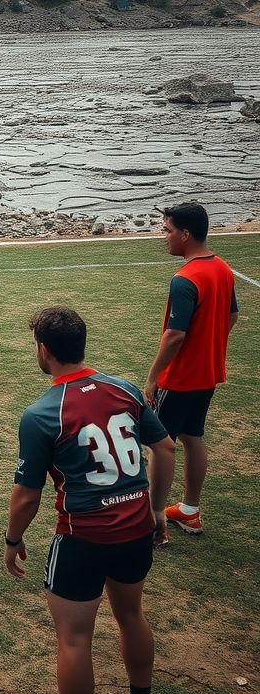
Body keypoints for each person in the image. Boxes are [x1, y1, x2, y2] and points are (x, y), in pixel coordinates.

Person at [6, 307, 175, 694]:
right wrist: (158, 508)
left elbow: (25, 495)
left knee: (74, 639)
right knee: (132, 615)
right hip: (136, 528)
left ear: (44, 350)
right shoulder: (122, 388)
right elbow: (164, 447)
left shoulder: (41, 412)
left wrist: (12, 539)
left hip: (82, 538)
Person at [145, 203, 238, 535]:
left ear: (185, 234)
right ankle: (189, 509)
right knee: (192, 436)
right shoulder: (223, 269)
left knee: (161, 443)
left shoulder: (185, 278)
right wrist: (209, 346)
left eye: (167, 231)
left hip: (181, 377)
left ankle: (154, 518)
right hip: (208, 373)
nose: (164, 237)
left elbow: (174, 335)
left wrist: (153, 378)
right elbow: (231, 316)